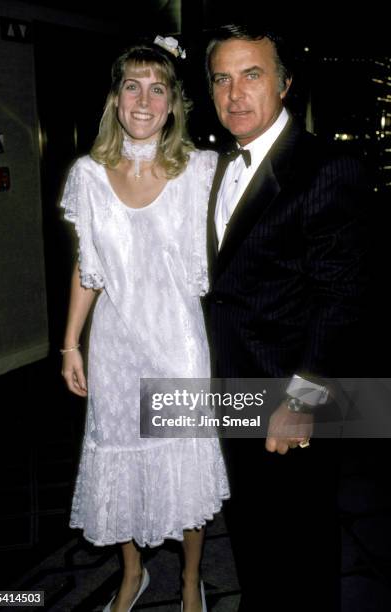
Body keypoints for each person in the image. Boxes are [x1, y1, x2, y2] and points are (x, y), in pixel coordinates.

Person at [204, 24, 369, 612]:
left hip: (290, 393)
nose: (235, 94)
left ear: (284, 84)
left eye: (252, 75)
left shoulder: (326, 166)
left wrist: (303, 402)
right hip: (233, 386)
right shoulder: (218, 168)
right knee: (255, 535)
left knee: (302, 548)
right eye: (222, 78)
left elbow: (342, 300)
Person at [60, 38, 229, 612]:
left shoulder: (202, 170)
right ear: (114, 98)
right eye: (132, 85)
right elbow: (89, 266)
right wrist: (69, 345)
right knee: (121, 459)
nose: (143, 99)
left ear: (175, 104)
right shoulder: (87, 175)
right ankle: (133, 574)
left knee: (183, 467)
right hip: (114, 348)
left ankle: (189, 580)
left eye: (158, 88)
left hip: (179, 347)